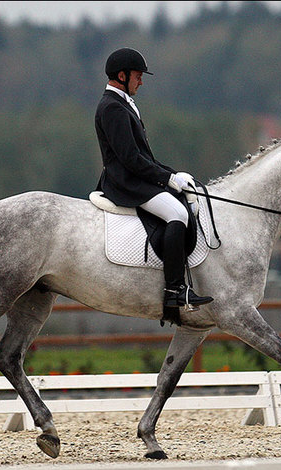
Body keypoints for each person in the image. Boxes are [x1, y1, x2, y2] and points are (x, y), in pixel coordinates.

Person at [94, 47, 213, 311]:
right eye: (138, 76)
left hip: (135, 176)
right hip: (126, 182)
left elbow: (143, 156)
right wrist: (167, 179)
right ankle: (174, 289)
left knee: (182, 202)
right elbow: (131, 159)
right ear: (122, 76)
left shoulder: (123, 104)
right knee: (177, 214)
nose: (141, 81)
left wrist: (172, 173)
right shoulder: (112, 107)